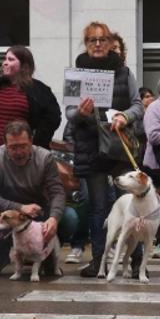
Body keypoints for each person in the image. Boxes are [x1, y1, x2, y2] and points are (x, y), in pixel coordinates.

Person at [0, 46, 61, 264]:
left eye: (11, 59)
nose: (5, 63)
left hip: (22, 156)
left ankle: (41, 257)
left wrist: (32, 145)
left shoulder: (38, 90)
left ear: (24, 65)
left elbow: (53, 117)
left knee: (65, 217)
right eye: (4, 59)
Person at [65, 21, 144, 277]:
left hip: (119, 145)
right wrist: (80, 112)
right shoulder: (77, 72)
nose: (97, 44)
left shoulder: (124, 72)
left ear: (111, 43)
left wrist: (124, 117)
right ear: (86, 44)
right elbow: (69, 112)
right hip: (91, 146)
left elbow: (138, 106)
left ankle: (136, 262)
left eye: (102, 39)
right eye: (92, 40)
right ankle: (99, 262)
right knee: (98, 208)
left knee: (132, 206)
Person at [0, 121, 77, 276]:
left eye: (23, 146)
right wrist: (20, 207)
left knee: (70, 217)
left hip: (38, 213)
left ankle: (47, 258)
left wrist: (54, 218)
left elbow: (57, 192)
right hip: (6, 213)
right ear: (5, 144)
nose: (18, 152)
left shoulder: (45, 157)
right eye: (13, 147)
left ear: (31, 141)